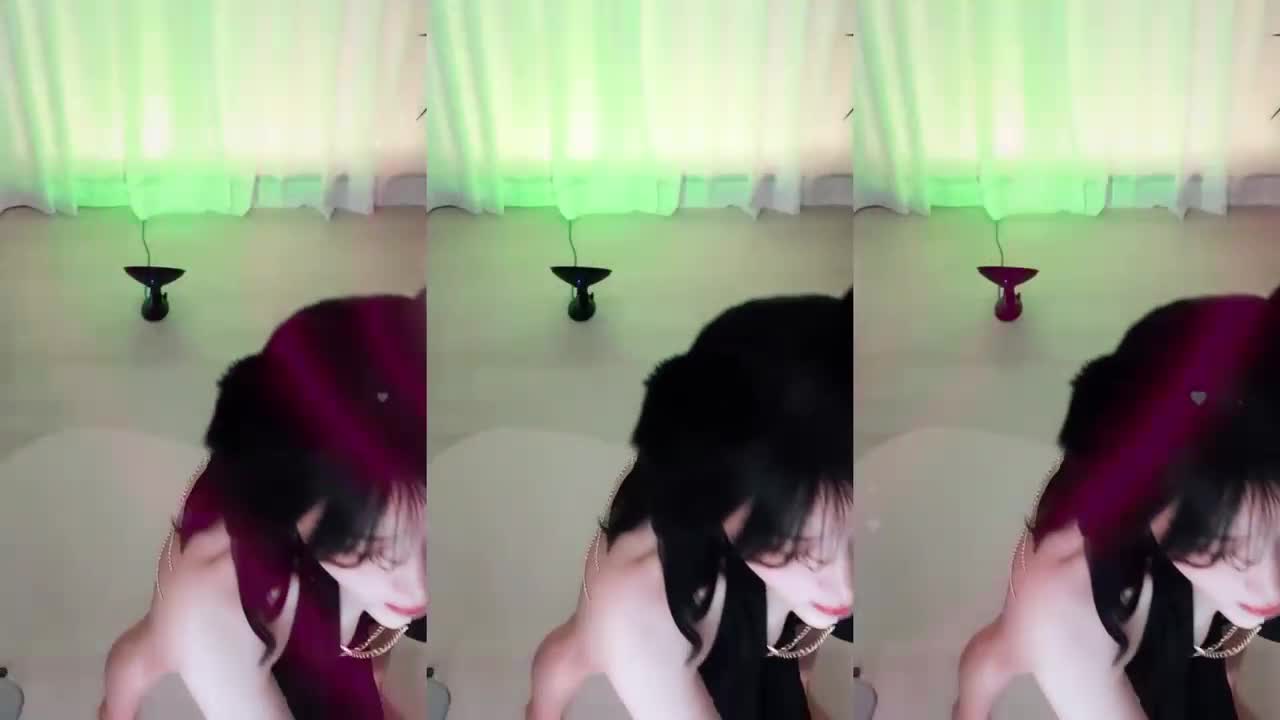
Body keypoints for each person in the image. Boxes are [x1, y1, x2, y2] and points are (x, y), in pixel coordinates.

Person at [98, 290, 428, 720]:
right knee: (152, 650)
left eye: (433, 545)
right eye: (372, 551)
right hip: (226, 588)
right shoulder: (213, 605)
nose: (420, 590)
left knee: (371, 626)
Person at [526, 289, 855, 720]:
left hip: (746, 509)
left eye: (858, 542)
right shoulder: (637, 604)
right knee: (582, 646)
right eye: (797, 550)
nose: (847, 589)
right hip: (663, 573)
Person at [954, 287, 1280, 720]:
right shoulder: (1063, 599)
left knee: (1222, 632)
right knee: (1005, 651)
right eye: (1226, 549)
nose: (1273, 587)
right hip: (1088, 568)